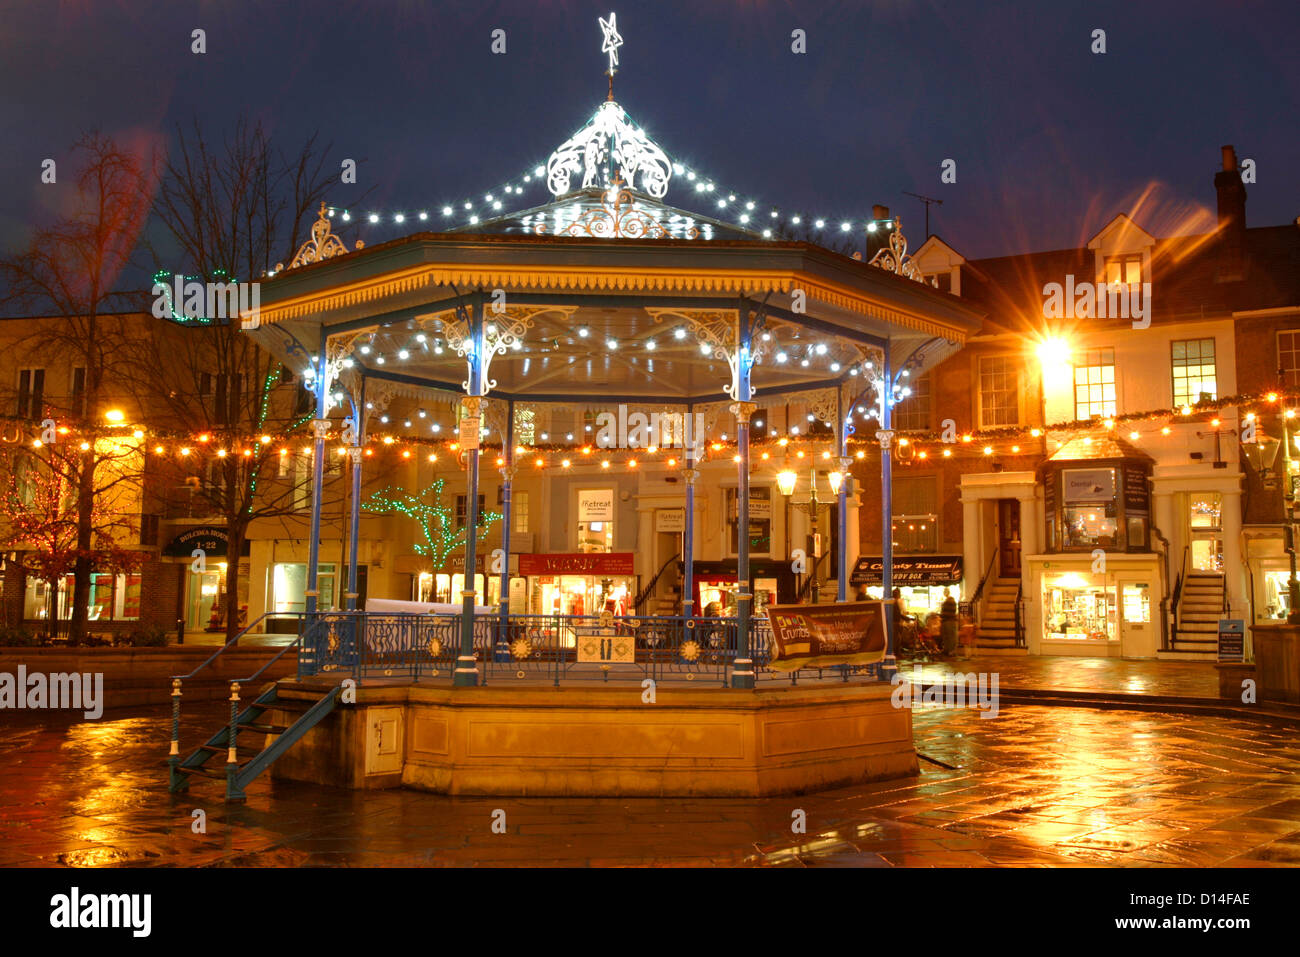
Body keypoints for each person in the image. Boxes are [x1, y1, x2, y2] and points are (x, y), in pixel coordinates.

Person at [940, 587, 958, 656]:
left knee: (950, 637)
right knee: (947, 637)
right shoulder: (947, 601)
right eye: (944, 591)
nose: (944, 593)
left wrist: (941, 614)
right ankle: (948, 650)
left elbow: (948, 612)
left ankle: (951, 651)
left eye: (945, 591)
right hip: (946, 621)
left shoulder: (950, 601)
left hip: (949, 621)